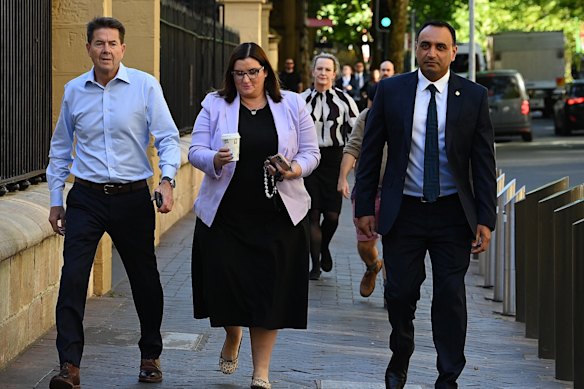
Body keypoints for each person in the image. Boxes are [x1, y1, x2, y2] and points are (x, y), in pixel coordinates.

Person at [354, 21, 496, 389]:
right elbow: (370, 154)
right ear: (416, 49)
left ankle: (448, 375)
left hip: (453, 213)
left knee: (450, 296)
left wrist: (486, 218)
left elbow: (483, 162)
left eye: (439, 47)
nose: (431, 53)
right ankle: (401, 352)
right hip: (406, 212)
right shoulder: (391, 91)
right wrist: (365, 207)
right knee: (400, 293)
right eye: (424, 46)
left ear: (453, 53)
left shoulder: (474, 96)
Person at [46, 16, 180, 388]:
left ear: (123, 48)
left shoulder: (144, 87)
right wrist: (56, 199)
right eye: (99, 43)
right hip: (86, 197)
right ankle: (68, 366)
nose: (106, 49)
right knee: (72, 277)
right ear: (88, 47)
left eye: (113, 43)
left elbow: (168, 138)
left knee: (144, 279)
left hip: (133, 197)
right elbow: (60, 148)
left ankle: (150, 355)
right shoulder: (74, 90)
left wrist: (167, 180)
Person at [189, 42, 320, 389]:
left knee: (269, 294)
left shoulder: (291, 104)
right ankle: (232, 335)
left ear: (266, 72)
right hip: (226, 215)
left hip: (277, 215)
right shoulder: (215, 104)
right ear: (231, 75)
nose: (246, 79)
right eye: (239, 73)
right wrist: (213, 160)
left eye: (253, 72)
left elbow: (312, 152)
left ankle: (261, 372)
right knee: (224, 290)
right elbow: (195, 149)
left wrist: (293, 169)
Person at [337, 61, 394, 299]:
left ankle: (393, 291)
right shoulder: (366, 117)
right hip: (368, 190)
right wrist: (343, 178)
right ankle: (372, 266)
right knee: (365, 245)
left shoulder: (404, 118)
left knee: (394, 244)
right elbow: (352, 148)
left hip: (396, 190)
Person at [301, 53, 359, 280]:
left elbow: (356, 134)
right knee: (312, 214)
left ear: (334, 74)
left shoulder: (345, 101)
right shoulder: (301, 100)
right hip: (309, 159)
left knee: (332, 216)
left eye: (327, 70)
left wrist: (354, 163)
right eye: (320, 69)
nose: (323, 73)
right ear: (312, 72)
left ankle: (324, 246)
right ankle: (314, 264)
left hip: (335, 160)